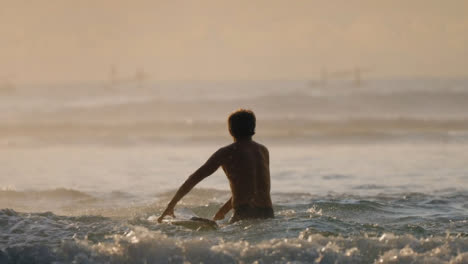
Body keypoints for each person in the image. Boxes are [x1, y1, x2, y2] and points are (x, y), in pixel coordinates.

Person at [157, 109, 274, 223]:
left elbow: (194, 178)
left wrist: (170, 206)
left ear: (230, 130)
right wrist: (222, 212)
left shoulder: (228, 152)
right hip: (268, 214)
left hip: (244, 214)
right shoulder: (263, 151)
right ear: (253, 128)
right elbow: (249, 190)